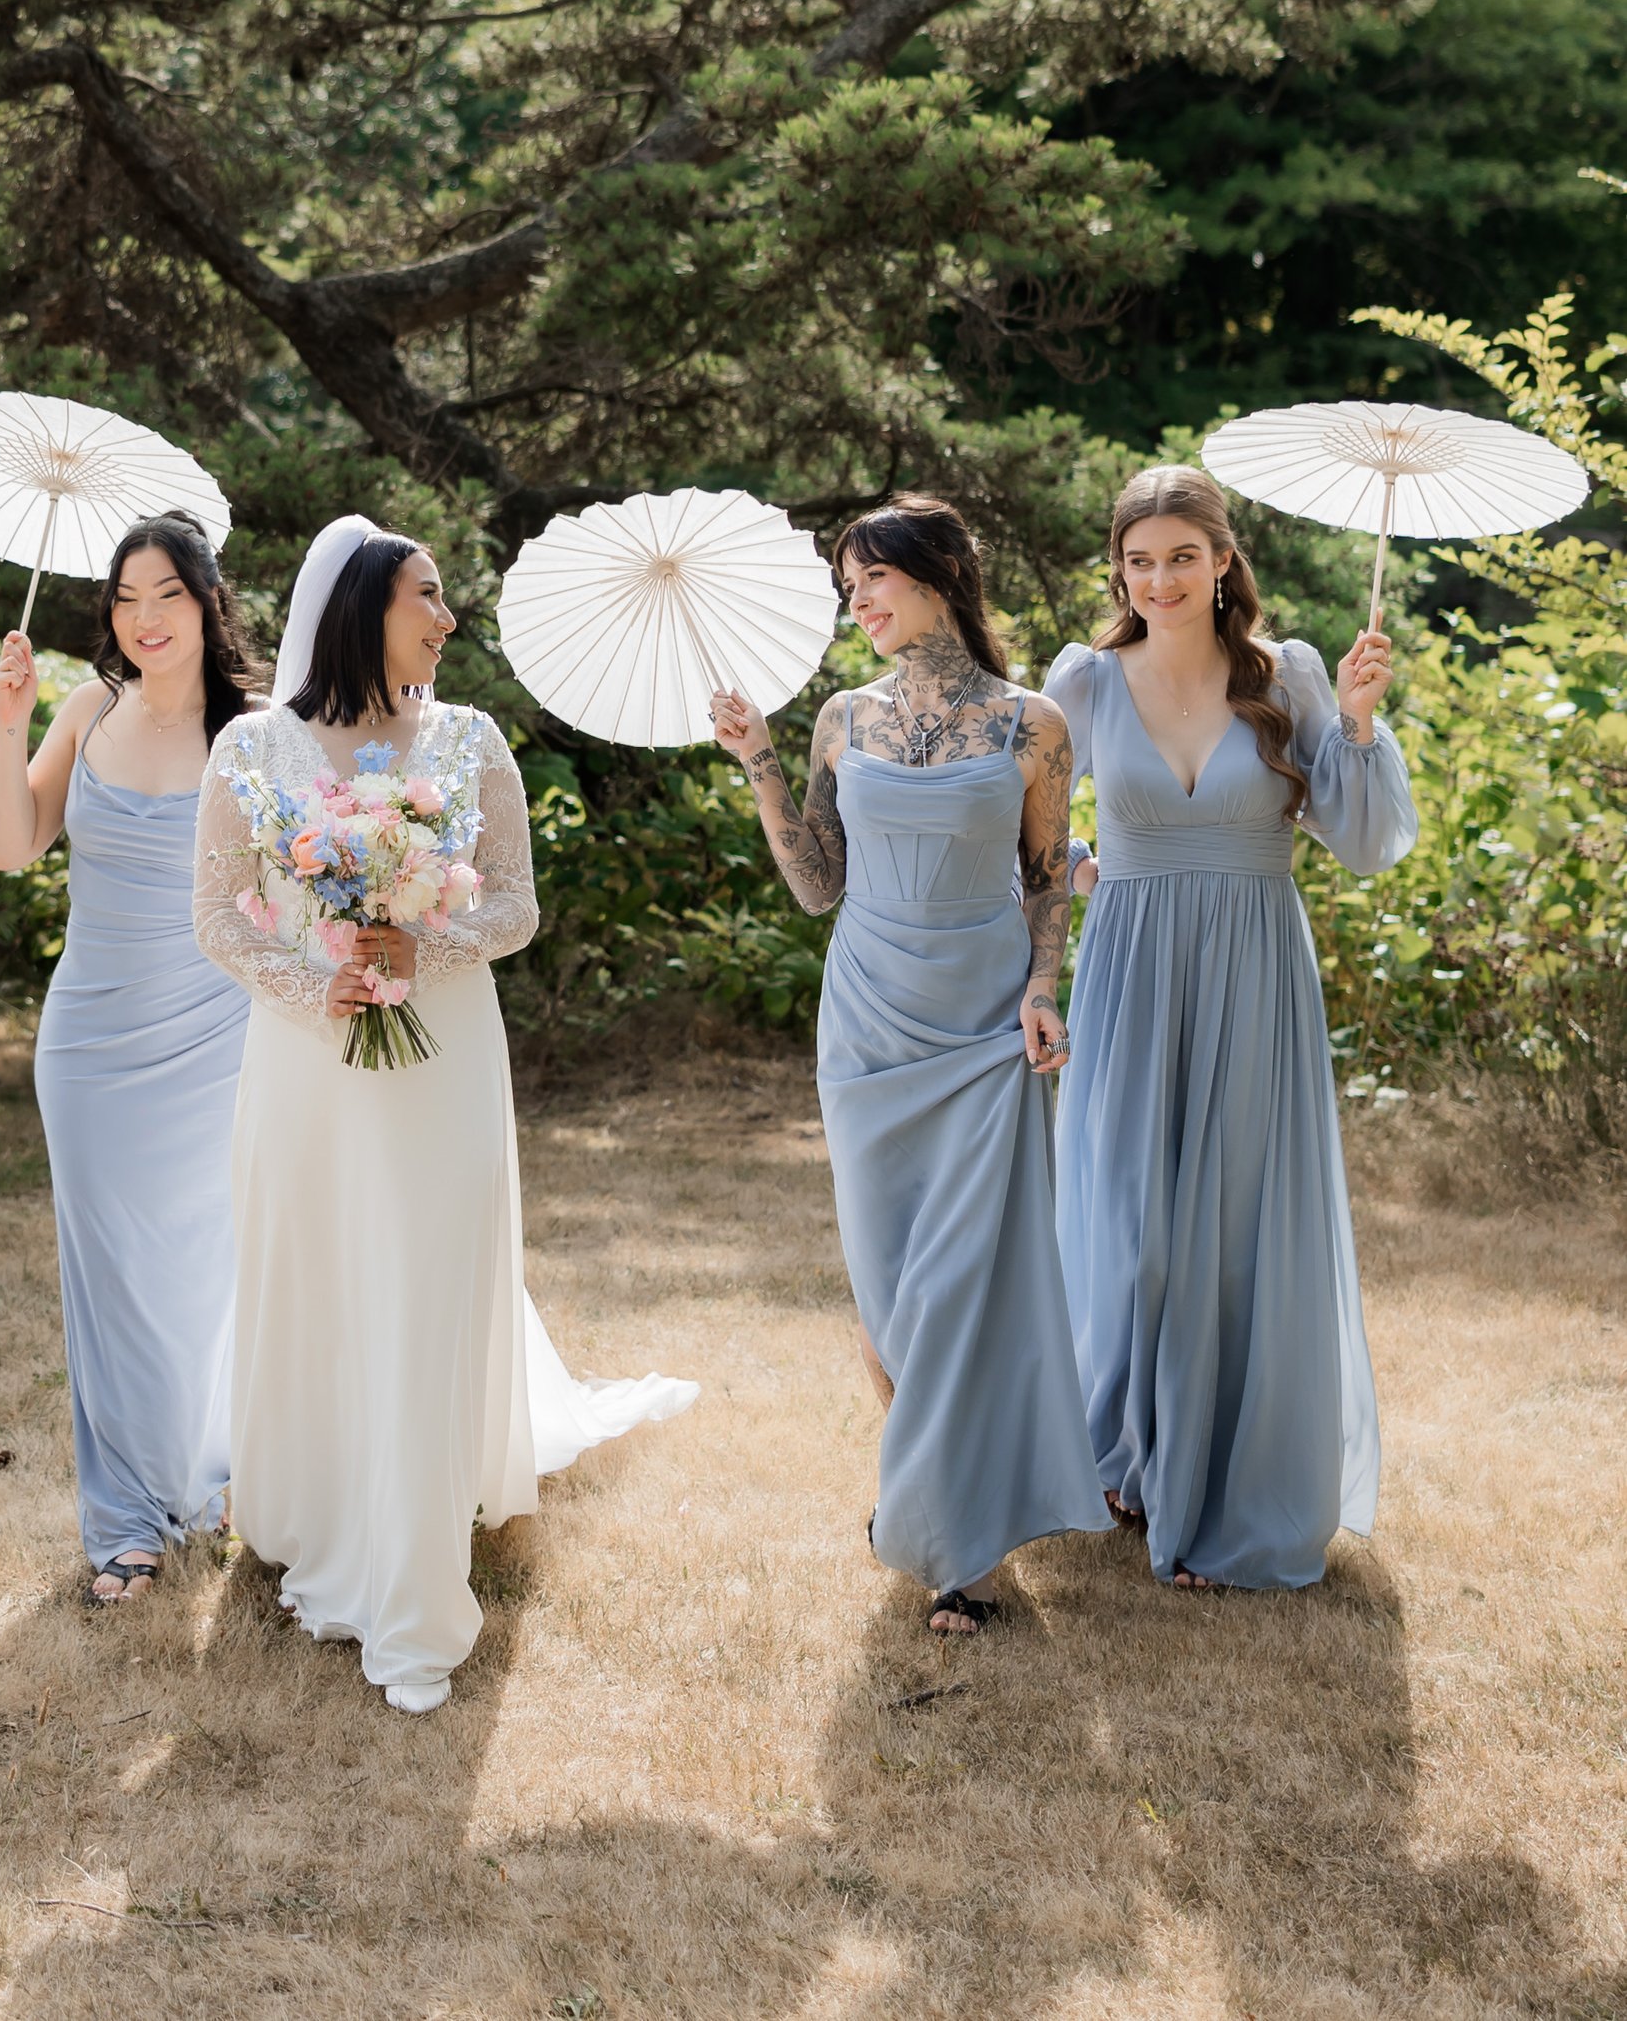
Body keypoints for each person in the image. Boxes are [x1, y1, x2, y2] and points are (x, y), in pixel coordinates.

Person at [194, 515, 696, 1713]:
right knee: (324, 1270)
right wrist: (327, 986)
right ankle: (324, 1505)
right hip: (307, 1060)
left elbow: (515, 906)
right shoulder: (251, 749)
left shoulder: (469, 743)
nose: (449, 618)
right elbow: (218, 918)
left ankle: (414, 1563)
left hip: (444, 1049)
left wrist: (421, 941)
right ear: (368, 605)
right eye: (430, 595)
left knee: (424, 1275)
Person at [712, 493, 1107, 1634]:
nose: (858, 603)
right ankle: (926, 1496)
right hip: (870, 1022)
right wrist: (761, 762)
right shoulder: (841, 716)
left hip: (983, 1022)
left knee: (965, 1284)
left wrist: (1041, 992)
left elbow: (1044, 881)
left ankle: (951, 1546)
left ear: (934, 572)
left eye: (869, 579)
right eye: (848, 590)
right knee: (888, 1284)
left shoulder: (1032, 723)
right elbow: (816, 884)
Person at [1044, 463, 1412, 1591]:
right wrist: (1060, 892)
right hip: (1129, 972)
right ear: (1119, 569)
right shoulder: (1085, 682)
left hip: (1254, 969)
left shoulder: (1290, 673)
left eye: (1182, 557)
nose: (1158, 579)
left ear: (1222, 562)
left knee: (1242, 1230)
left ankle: (1234, 1494)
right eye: (1138, 560)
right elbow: (1017, 831)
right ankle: (1134, 1450)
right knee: (1136, 1225)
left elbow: (1361, 842)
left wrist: (1354, 724)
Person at [0, 512, 257, 1607]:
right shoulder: (87, 706)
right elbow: (13, 848)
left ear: (205, 601)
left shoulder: (256, 720)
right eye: (126, 599)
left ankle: (229, 1474)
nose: (144, 619)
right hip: (91, 1038)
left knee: (213, 1265)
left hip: (219, 1033)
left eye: (167, 596)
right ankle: (127, 1524)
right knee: (109, 1281)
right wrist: (10, 730)